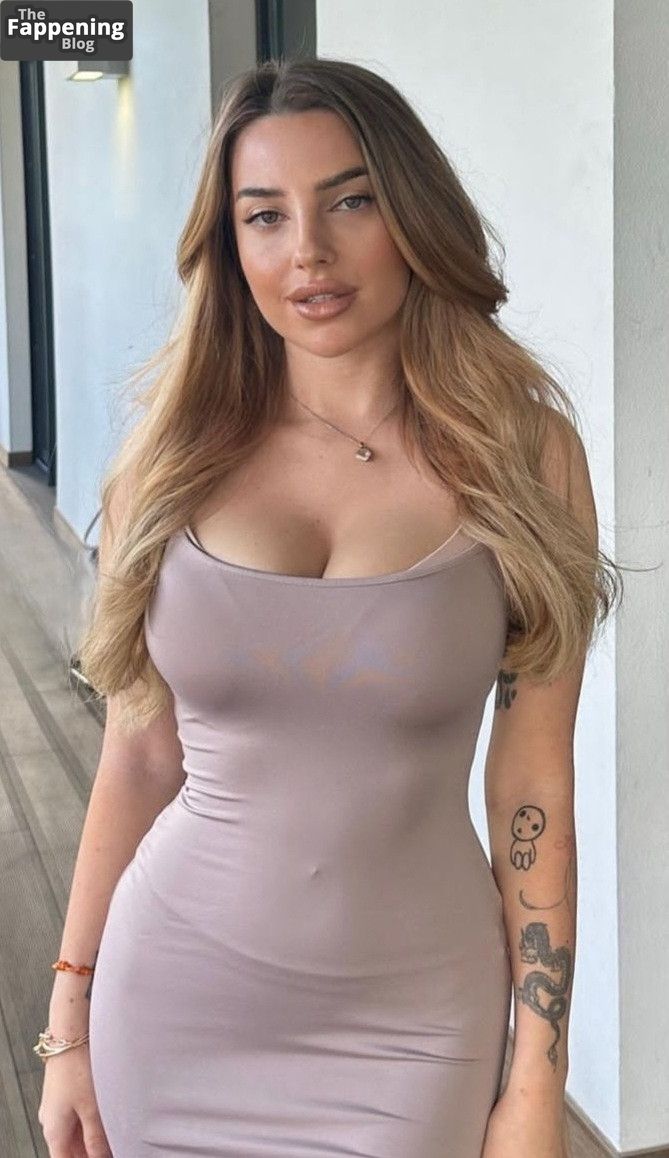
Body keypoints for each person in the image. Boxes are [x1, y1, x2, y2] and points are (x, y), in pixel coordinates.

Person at [36, 56, 622, 1158]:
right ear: (230, 246)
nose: (306, 250)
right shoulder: (165, 466)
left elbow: (533, 784)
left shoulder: (524, 460)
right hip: (177, 1003)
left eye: (349, 202)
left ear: (412, 215)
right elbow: (140, 758)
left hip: (416, 1023)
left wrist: (536, 1084)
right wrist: (69, 1021)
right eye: (264, 216)